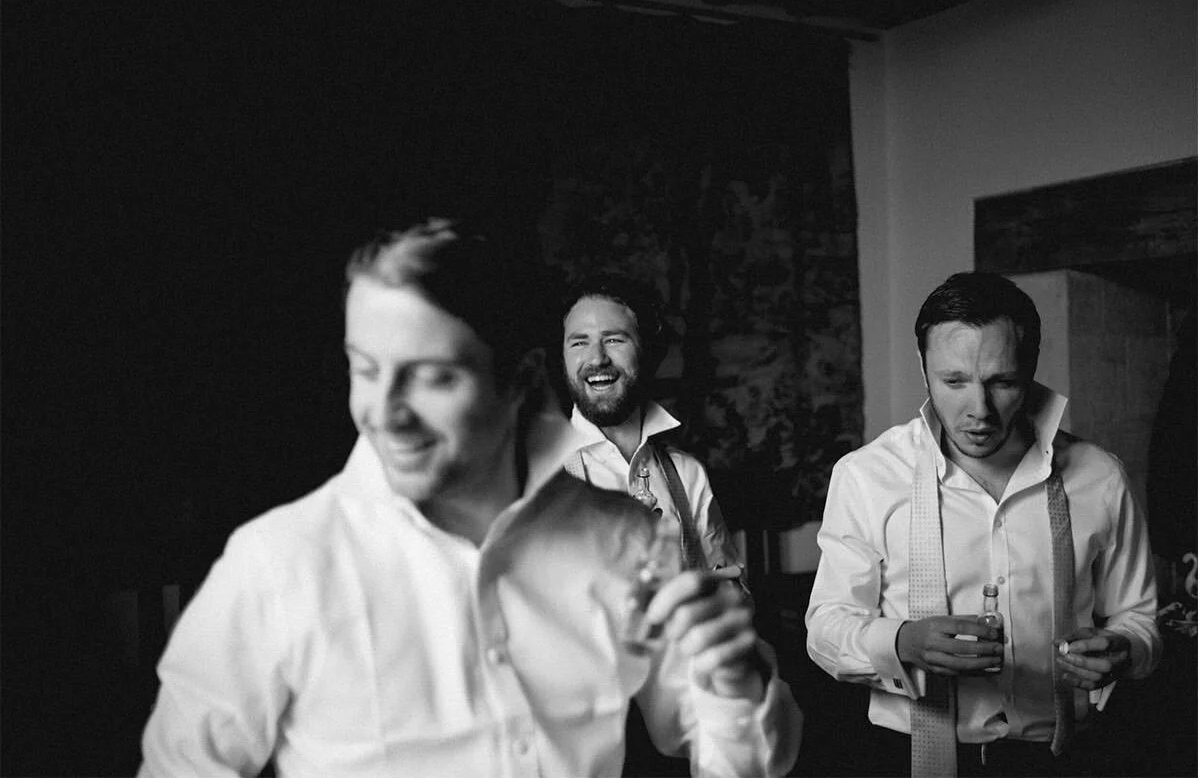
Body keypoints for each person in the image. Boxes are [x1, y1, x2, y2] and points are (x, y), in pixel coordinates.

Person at [138, 217, 802, 777]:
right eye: (365, 371)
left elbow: (709, 748)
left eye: (431, 377)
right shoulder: (275, 566)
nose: (385, 413)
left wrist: (730, 682)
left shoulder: (622, 537)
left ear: (519, 380)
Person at [805, 272, 1160, 777]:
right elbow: (825, 627)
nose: (979, 410)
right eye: (954, 382)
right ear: (923, 366)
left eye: (1002, 382)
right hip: (905, 758)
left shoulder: (1099, 476)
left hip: (1064, 759)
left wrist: (1124, 649)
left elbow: (1140, 619)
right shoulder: (867, 476)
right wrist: (902, 642)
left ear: (1031, 369)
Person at [559, 273, 744, 581]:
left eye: (614, 339)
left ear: (648, 350)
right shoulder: (532, 478)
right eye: (580, 342)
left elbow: (729, 592)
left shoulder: (687, 474)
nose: (597, 358)